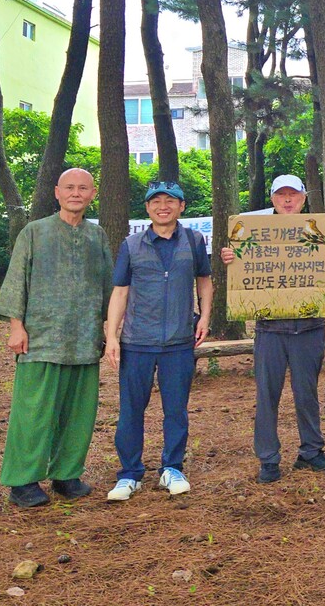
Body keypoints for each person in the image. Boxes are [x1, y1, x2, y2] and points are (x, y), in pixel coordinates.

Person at [0, 169, 113, 508]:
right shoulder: (35, 232)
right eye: (69, 188)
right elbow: (17, 278)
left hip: (84, 339)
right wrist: (16, 326)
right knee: (33, 413)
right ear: (57, 193)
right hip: (41, 338)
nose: (76, 193)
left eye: (83, 188)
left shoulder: (97, 236)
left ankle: (66, 474)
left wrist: (109, 329)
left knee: (79, 413)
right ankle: (23, 481)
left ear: (93, 194)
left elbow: (108, 287)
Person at [220, 174, 325, 483]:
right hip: (270, 328)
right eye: (281, 195)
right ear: (273, 199)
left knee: (307, 393)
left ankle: (311, 452)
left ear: (303, 199)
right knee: (267, 395)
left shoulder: (318, 233)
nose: (287, 200)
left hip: (309, 326)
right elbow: (242, 273)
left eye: (293, 195)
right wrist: (232, 260)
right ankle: (269, 459)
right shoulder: (253, 232)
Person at [104, 181, 213, 501]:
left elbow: (204, 282)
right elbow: (120, 291)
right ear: (147, 208)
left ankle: (172, 468)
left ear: (182, 206)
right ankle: (129, 474)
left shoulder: (194, 240)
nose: (162, 206)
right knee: (130, 411)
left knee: (176, 409)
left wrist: (205, 316)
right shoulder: (131, 244)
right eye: (155, 201)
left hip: (179, 341)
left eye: (170, 201)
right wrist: (112, 335)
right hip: (137, 341)